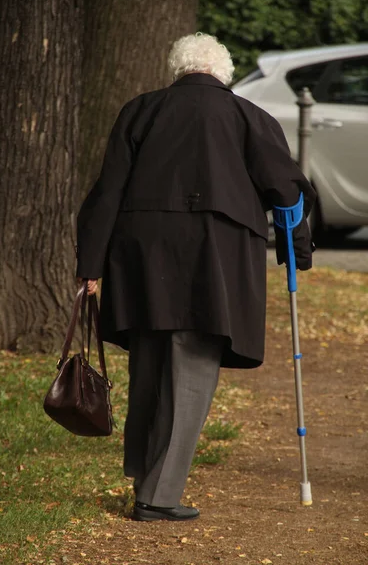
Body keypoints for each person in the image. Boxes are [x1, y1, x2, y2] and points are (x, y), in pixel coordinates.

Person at [76, 32, 316, 522]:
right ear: (223, 73)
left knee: (148, 366)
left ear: (177, 70)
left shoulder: (140, 111)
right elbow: (286, 193)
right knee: (191, 370)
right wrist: (299, 251)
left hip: (142, 258)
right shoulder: (250, 117)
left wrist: (90, 266)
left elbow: (107, 192)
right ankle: (158, 497)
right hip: (215, 261)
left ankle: (146, 479)